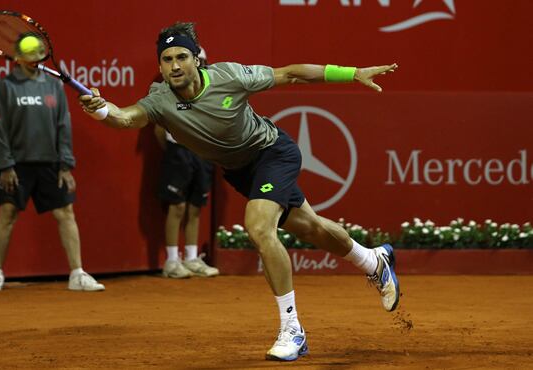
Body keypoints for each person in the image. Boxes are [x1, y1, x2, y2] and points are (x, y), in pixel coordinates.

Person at [79, 22, 399, 361]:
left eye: (182, 57)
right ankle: (373, 260)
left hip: (272, 152)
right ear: (160, 66)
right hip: (240, 172)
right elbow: (126, 118)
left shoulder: (229, 77)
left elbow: (290, 74)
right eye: (167, 59)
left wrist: (351, 73)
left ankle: (292, 330)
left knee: (259, 226)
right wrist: (101, 109)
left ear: (197, 59)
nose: (175, 65)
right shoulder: (159, 99)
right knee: (311, 228)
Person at [0, 34, 104, 292]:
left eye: (38, 57)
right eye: (29, 58)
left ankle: (77, 274)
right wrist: (4, 165)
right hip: (16, 165)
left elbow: (63, 125)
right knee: (7, 213)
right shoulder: (6, 86)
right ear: (18, 59)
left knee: (65, 213)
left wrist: (65, 165)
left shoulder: (53, 85)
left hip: (50, 163)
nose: (35, 61)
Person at [154, 47, 219, 279]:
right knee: (177, 206)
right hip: (178, 153)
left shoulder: (211, 88)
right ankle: (172, 261)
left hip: (203, 153)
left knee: (195, 206)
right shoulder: (167, 91)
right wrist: (175, 149)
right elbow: (159, 130)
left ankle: (191, 258)